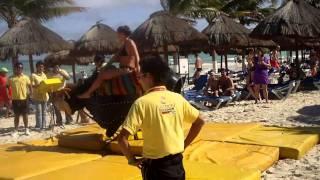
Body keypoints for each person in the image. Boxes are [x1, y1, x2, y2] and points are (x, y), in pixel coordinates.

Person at [117, 55, 205, 180]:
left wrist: (131, 159)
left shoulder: (141, 103)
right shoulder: (177, 98)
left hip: (155, 168)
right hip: (177, 164)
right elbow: (200, 122)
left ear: (149, 76)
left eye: (139, 77)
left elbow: (122, 139)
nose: (139, 81)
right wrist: (184, 145)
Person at [78, 26, 140, 99]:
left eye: (118, 34)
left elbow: (137, 57)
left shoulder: (130, 42)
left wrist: (138, 69)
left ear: (123, 34)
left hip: (127, 70)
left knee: (102, 76)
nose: (117, 36)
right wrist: (105, 66)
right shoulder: (124, 44)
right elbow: (114, 58)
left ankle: (88, 93)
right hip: (124, 69)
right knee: (104, 71)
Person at [8, 63, 32, 137]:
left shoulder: (26, 77)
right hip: (15, 100)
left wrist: (31, 93)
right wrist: (8, 96)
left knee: (25, 115)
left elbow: (30, 85)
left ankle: (26, 129)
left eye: (20, 68)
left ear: (22, 69)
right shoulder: (11, 78)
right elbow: (6, 87)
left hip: (24, 99)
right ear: (15, 68)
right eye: (17, 67)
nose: (19, 69)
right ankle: (16, 130)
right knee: (16, 116)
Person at [31, 61, 49, 130]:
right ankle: (39, 126)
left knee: (44, 112)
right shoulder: (33, 75)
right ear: (37, 67)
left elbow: (47, 84)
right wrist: (38, 85)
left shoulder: (44, 75)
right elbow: (31, 85)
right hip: (37, 96)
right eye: (40, 66)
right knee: (38, 111)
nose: (41, 68)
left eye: (42, 66)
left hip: (45, 96)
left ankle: (44, 125)